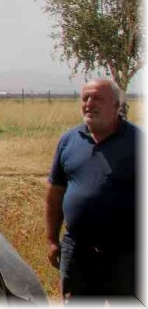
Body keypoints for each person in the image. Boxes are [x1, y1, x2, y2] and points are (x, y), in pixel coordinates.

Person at [45, 78, 139, 300]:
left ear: (117, 106)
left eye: (97, 98)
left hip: (126, 255)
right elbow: (55, 193)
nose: (89, 103)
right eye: (85, 98)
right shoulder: (69, 141)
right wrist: (51, 239)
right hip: (77, 252)